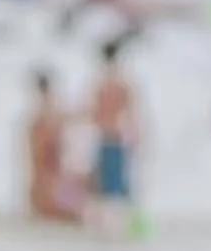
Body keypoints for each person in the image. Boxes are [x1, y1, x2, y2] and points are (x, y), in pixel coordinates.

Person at [87, 35, 144, 238]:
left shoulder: (102, 83)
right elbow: (133, 112)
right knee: (117, 182)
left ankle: (112, 224)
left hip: (107, 135)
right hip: (118, 136)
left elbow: (94, 112)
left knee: (108, 182)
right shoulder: (122, 82)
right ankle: (123, 223)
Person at [25, 68, 85, 224]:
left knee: (79, 203)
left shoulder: (43, 116)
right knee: (77, 208)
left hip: (48, 184)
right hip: (49, 186)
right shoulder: (43, 119)